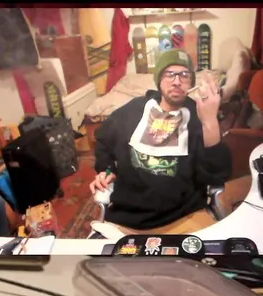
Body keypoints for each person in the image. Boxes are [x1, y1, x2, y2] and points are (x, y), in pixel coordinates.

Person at [88, 48, 230, 232]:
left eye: (184, 75)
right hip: (128, 220)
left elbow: (217, 174)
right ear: (159, 80)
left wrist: (210, 121)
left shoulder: (200, 115)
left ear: (191, 83)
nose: (177, 81)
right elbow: (103, 140)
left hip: (185, 217)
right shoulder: (133, 110)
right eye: (169, 74)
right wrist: (106, 169)